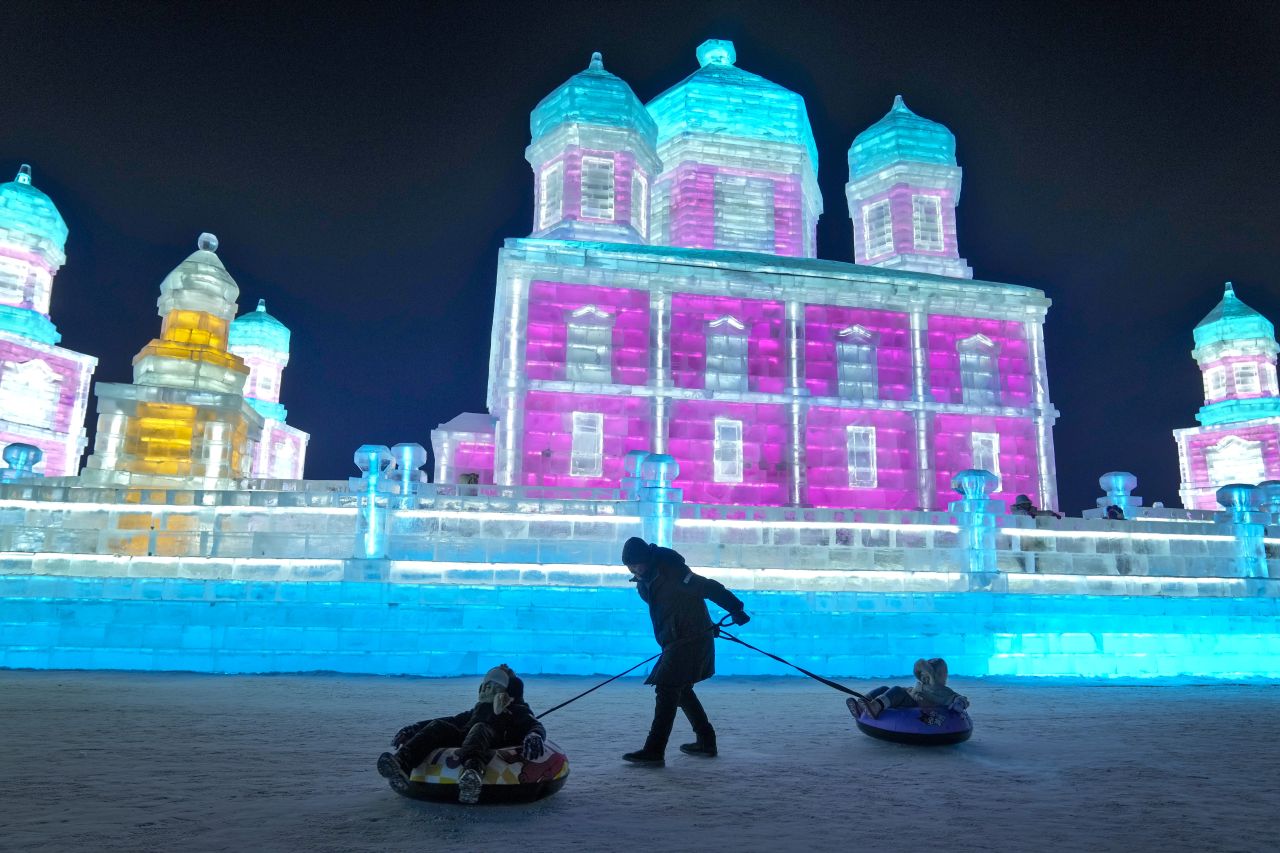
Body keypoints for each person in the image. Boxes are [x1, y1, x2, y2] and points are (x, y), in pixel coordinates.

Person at [620, 536, 750, 766]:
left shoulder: (673, 571)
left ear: (647, 560)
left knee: (667, 688)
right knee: (680, 690)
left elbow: (708, 587)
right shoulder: (644, 582)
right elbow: (673, 609)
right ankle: (706, 740)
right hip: (675, 641)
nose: (634, 569)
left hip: (690, 640)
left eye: (636, 564)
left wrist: (736, 608)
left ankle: (654, 750)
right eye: (630, 566)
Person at [377, 664, 546, 804]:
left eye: (493, 684)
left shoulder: (517, 711)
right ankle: (401, 764)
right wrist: (414, 728)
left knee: (479, 728)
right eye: (486, 684)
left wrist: (534, 736)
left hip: (493, 741)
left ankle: (473, 773)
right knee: (440, 726)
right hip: (468, 738)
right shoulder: (478, 710)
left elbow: (534, 725)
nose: (486, 688)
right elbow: (453, 720)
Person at [848, 658, 970, 719]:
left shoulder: (943, 691)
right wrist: (907, 690)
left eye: (928, 674)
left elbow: (957, 697)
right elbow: (913, 690)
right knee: (884, 688)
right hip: (911, 697)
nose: (924, 677)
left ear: (939, 676)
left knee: (896, 691)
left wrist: (959, 703)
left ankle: (875, 707)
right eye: (922, 674)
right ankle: (864, 703)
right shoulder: (922, 685)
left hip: (917, 705)